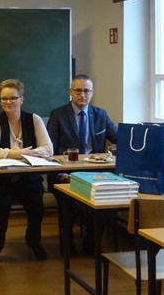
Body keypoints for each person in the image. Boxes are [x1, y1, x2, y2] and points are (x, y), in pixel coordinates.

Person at [46, 74, 118, 252]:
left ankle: (91, 242)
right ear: (70, 92)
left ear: (92, 93)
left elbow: (119, 138)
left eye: (86, 91)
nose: (82, 95)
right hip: (66, 175)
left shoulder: (100, 115)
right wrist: (60, 174)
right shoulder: (58, 115)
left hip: (95, 174)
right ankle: (68, 240)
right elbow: (49, 149)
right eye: (78, 91)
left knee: (108, 203)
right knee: (72, 203)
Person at [0, 79, 53, 262]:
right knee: (1, 203)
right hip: (1, 180)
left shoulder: (34, 119)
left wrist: (13, 153)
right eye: (4, 99)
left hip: (28, 178)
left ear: (21, 99)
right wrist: (20, 153)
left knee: (36, 204)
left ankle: (33, 240)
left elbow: (48, 149)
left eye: (13, 98)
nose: (8, 102)